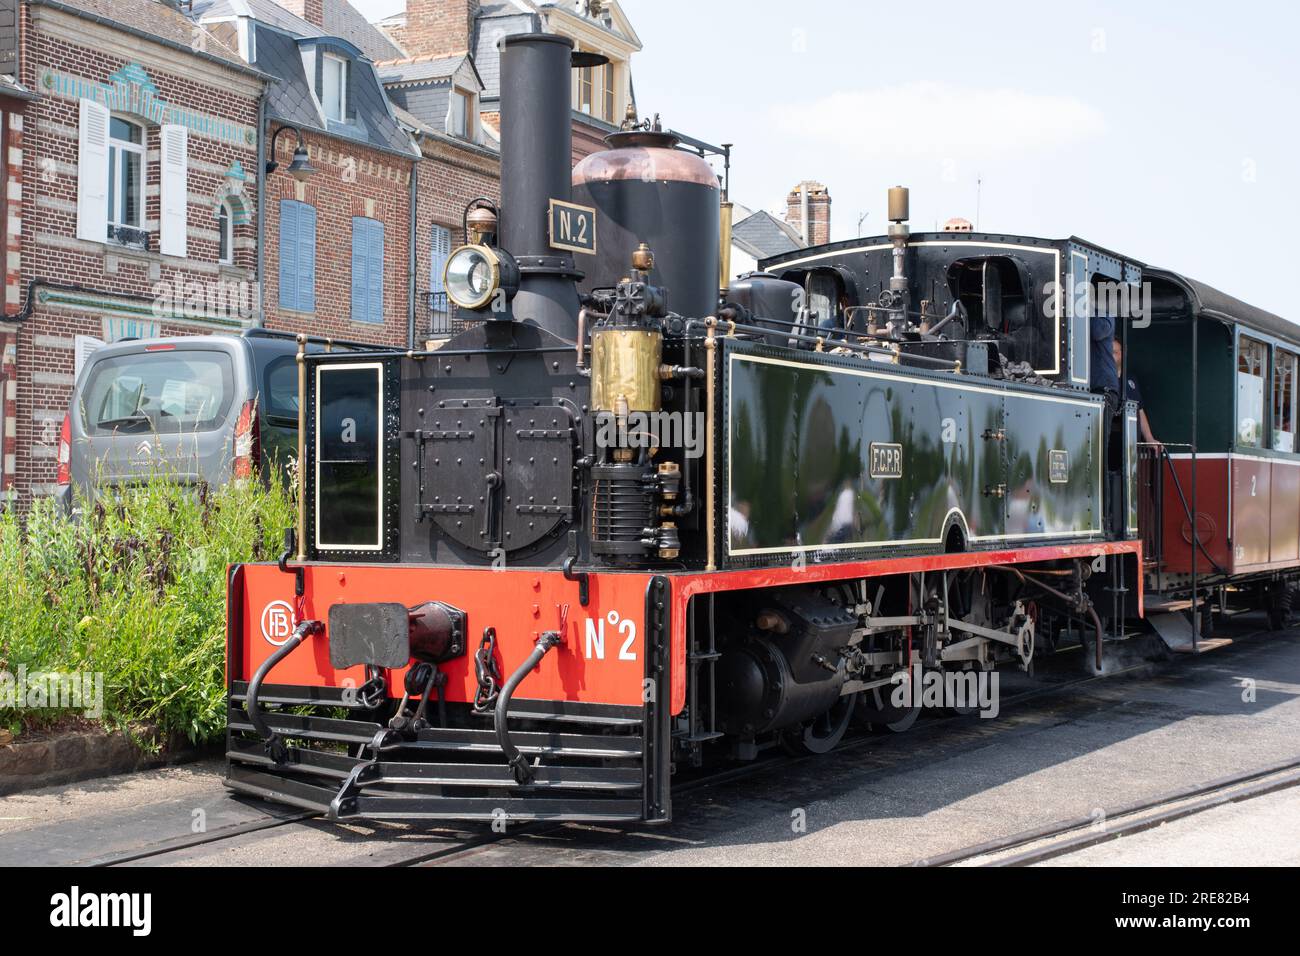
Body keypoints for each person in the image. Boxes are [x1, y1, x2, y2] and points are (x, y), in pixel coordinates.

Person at [1112, 338, 1160, 448]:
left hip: (1131, 442)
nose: (1110, 356)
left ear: (1123, 353)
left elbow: (1140, 410)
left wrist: (1149, 438)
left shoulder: (1131, 380)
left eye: (1114, 352)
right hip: (1112, 442)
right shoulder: (1101, 381)